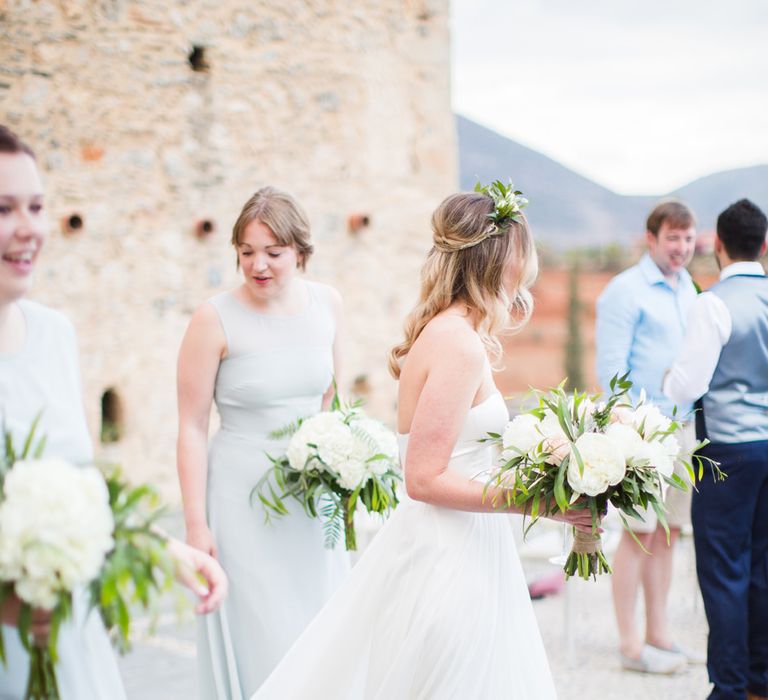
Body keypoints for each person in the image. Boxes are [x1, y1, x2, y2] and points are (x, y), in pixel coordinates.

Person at [249, 186, 595, 699]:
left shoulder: (457, 334)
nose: (525, 268)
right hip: (448, 558)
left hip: (464, 545)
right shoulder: (456, 342)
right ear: (498, 259)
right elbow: (424, 477)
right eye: (520, 253)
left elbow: (461, 448)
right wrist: (535, 502)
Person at [0, 124, 227, 699]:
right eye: (4, 209)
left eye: (37, 206)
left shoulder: (54, 334)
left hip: (70, 637)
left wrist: (164, 549)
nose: (28, 228)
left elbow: (81, 487)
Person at [176, 186, 350, 698]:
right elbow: (190, 424)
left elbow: (332, 400)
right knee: (262, 633)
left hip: (311, 498)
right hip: (240, 502)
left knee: (320, 625)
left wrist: (342, 467)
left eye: (273, 253)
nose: (259, 266)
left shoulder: (329, 304)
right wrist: (195, 525)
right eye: (246, 252)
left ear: (300, 251)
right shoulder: (213, 319)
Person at [663, 199, 768, 700]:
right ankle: (760, 678)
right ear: (765, 245)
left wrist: (668, 378)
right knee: (763, 565)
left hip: (728, 453)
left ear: (718, 246)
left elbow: (687, 386)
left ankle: (728, 687)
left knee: (725, 569)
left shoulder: (713, 302)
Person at [595, 199, 702, 673]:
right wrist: (626, 433)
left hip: (684, 426)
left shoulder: (689, 290)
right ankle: (630, 644)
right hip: (641, 428)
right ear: (652, 239)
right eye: (673, 238)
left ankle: (659, 634)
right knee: (638, 534)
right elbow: (610, 370)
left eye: (688, 238)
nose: (681, 248)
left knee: (669, 532)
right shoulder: (625, 291)